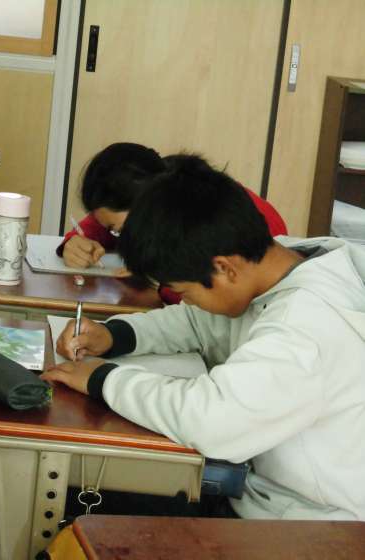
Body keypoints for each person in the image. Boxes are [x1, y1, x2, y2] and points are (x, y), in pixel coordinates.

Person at [42, 154, 365, 521]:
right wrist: (114, 335)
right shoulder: (278, 263)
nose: (188, 302)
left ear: (224, 268)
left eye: (185, 291)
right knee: (78, 485)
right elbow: (197, 322)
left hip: (304, 525)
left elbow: (213, 421)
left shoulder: (306, 328)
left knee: (80, 494)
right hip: (259, 490)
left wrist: (103, 379)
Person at [58, 142, 287, 304]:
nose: (123, 238)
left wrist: (161, 282)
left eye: (122, 230)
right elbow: (98, 225)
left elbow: (206, 303)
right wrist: (74, 243)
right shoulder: (160, 182)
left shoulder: (219, 222)